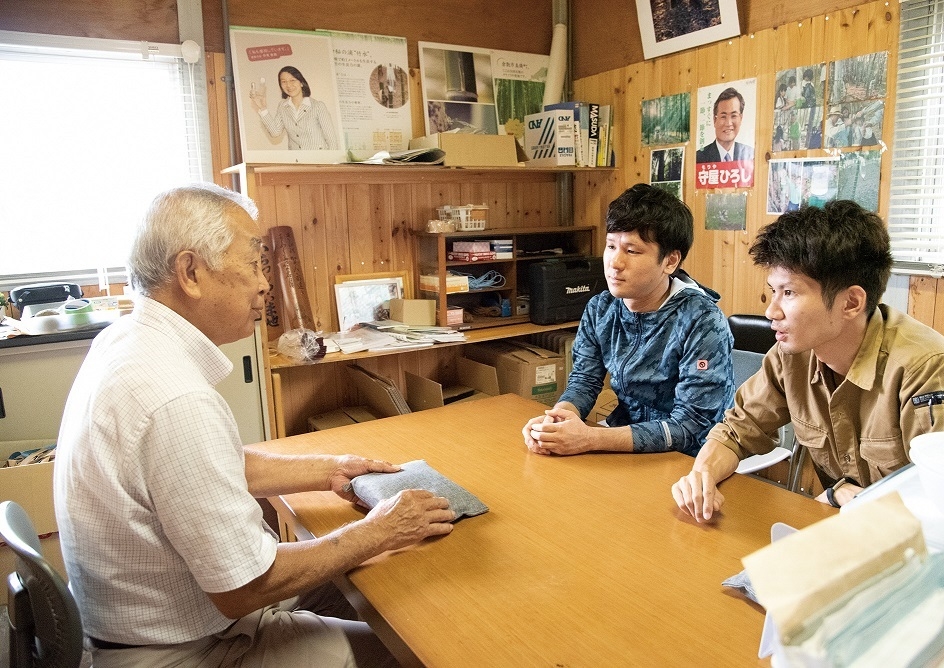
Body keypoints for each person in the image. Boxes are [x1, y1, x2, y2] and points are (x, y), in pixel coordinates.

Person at [54, 183, 455, 667]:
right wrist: (380, 531)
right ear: (190, 272)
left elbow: (206, 468)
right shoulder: (175, 397)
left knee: (358, 587)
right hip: (183, 651)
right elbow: (246, 585)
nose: (265, 283)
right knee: (418, 651)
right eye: (253, 263)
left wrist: (330, 468)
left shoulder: (127, 341)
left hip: (135, 626)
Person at [672, 200, 944, 523]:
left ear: (851, 302)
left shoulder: (929, 370)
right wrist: (701, 475)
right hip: (847, 530)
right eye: (773, 291)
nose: (772, 311)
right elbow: (737, 431)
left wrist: (851, 498)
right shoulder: (791, 356)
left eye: (789, 293)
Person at [522, 184, 734, 456]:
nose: (614, 262)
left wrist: (590, 439)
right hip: (622, 444)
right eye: (611, 246)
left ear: (670, 261)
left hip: (692, 458)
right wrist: (559, 419)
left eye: (631, 251)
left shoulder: (703, 320)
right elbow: (584, 381)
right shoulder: (601, 308)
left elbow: (691, 425)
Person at [249, 65, 338, 150]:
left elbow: (332, 140)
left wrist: (332, 164)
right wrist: (263, 108)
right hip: (296, 161)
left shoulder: (318, 106)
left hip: (319, 161)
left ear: (301, 83)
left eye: (292, 80)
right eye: (284, 82)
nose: (288, 85)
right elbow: (275, 132)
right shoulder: (282, 106)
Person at [696, 87, 753, 163]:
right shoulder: (698, 158)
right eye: (723, 116)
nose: (728, 123)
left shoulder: (751, 155)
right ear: (714, 120)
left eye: (733, 116)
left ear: (741, 118)